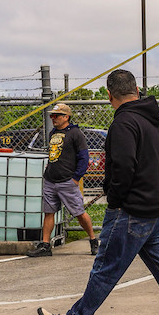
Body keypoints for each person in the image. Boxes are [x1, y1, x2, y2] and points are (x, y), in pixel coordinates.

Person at [37, 70, 159, 315]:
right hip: (158, 207)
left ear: (110, 95)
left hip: (132, 209)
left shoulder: (124, 123)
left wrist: (115, 199)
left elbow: (124, 167)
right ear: (136, 89)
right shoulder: (156, 121)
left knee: (106, 266)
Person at [26, 103, 99, 257]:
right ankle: (46, 245)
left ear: (66, 117)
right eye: (52, 115)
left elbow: (84, 157)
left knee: (79, 212)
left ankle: (93, 240)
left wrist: (76, 178)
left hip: (67, 181)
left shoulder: (75, 133)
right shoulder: (53, 132)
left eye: (57, 115)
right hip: (51, 180)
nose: (53, 118)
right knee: (49, 212)